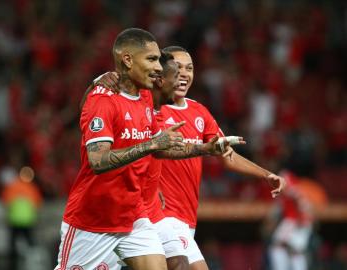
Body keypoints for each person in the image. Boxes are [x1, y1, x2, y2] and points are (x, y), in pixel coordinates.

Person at [92, 51, 242, 270]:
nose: (181, 80)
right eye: (176, 75)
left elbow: (162, 151)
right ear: (161, 80)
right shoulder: (134, 104)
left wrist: (204, 149)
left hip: (148, 209)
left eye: (187, 70)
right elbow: (142, 149)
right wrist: (97, 82)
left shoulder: (162, 111)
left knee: (178, 263)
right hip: (116, 207)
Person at [54, 28, 186, 270]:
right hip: (93, 219)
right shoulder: (103, 100)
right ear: (127, 60)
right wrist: (152, 144)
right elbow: (98, 161)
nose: (158, 67)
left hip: (132, 214)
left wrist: (205, 149)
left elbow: (153, 147)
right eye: (151, 59)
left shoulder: (145, 95)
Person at [158, 46, 286, 270]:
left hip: (186, 217)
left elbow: (227, 155)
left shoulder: (199, 112)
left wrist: (266, 175)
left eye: (190, 68)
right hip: (160, 214)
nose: (184, 74)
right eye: (177, 68)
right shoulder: (152, 109)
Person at [267, 170, 327, 270]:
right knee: (288, 250)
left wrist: (303, 220)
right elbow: (277, 208)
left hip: (298, 222)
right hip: (295, 221)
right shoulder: (285, 193)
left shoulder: (294, 191)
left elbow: (304, 207)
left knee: (286, 250)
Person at [1, 166, 43, 270]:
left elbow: (6, 203)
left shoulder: (12, 186)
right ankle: (32, 266)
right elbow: (37, 204)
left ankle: (13, 266)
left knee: (13, 247)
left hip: (15, 220)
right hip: (27, 221)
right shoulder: (32, 188)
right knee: (30, 245)